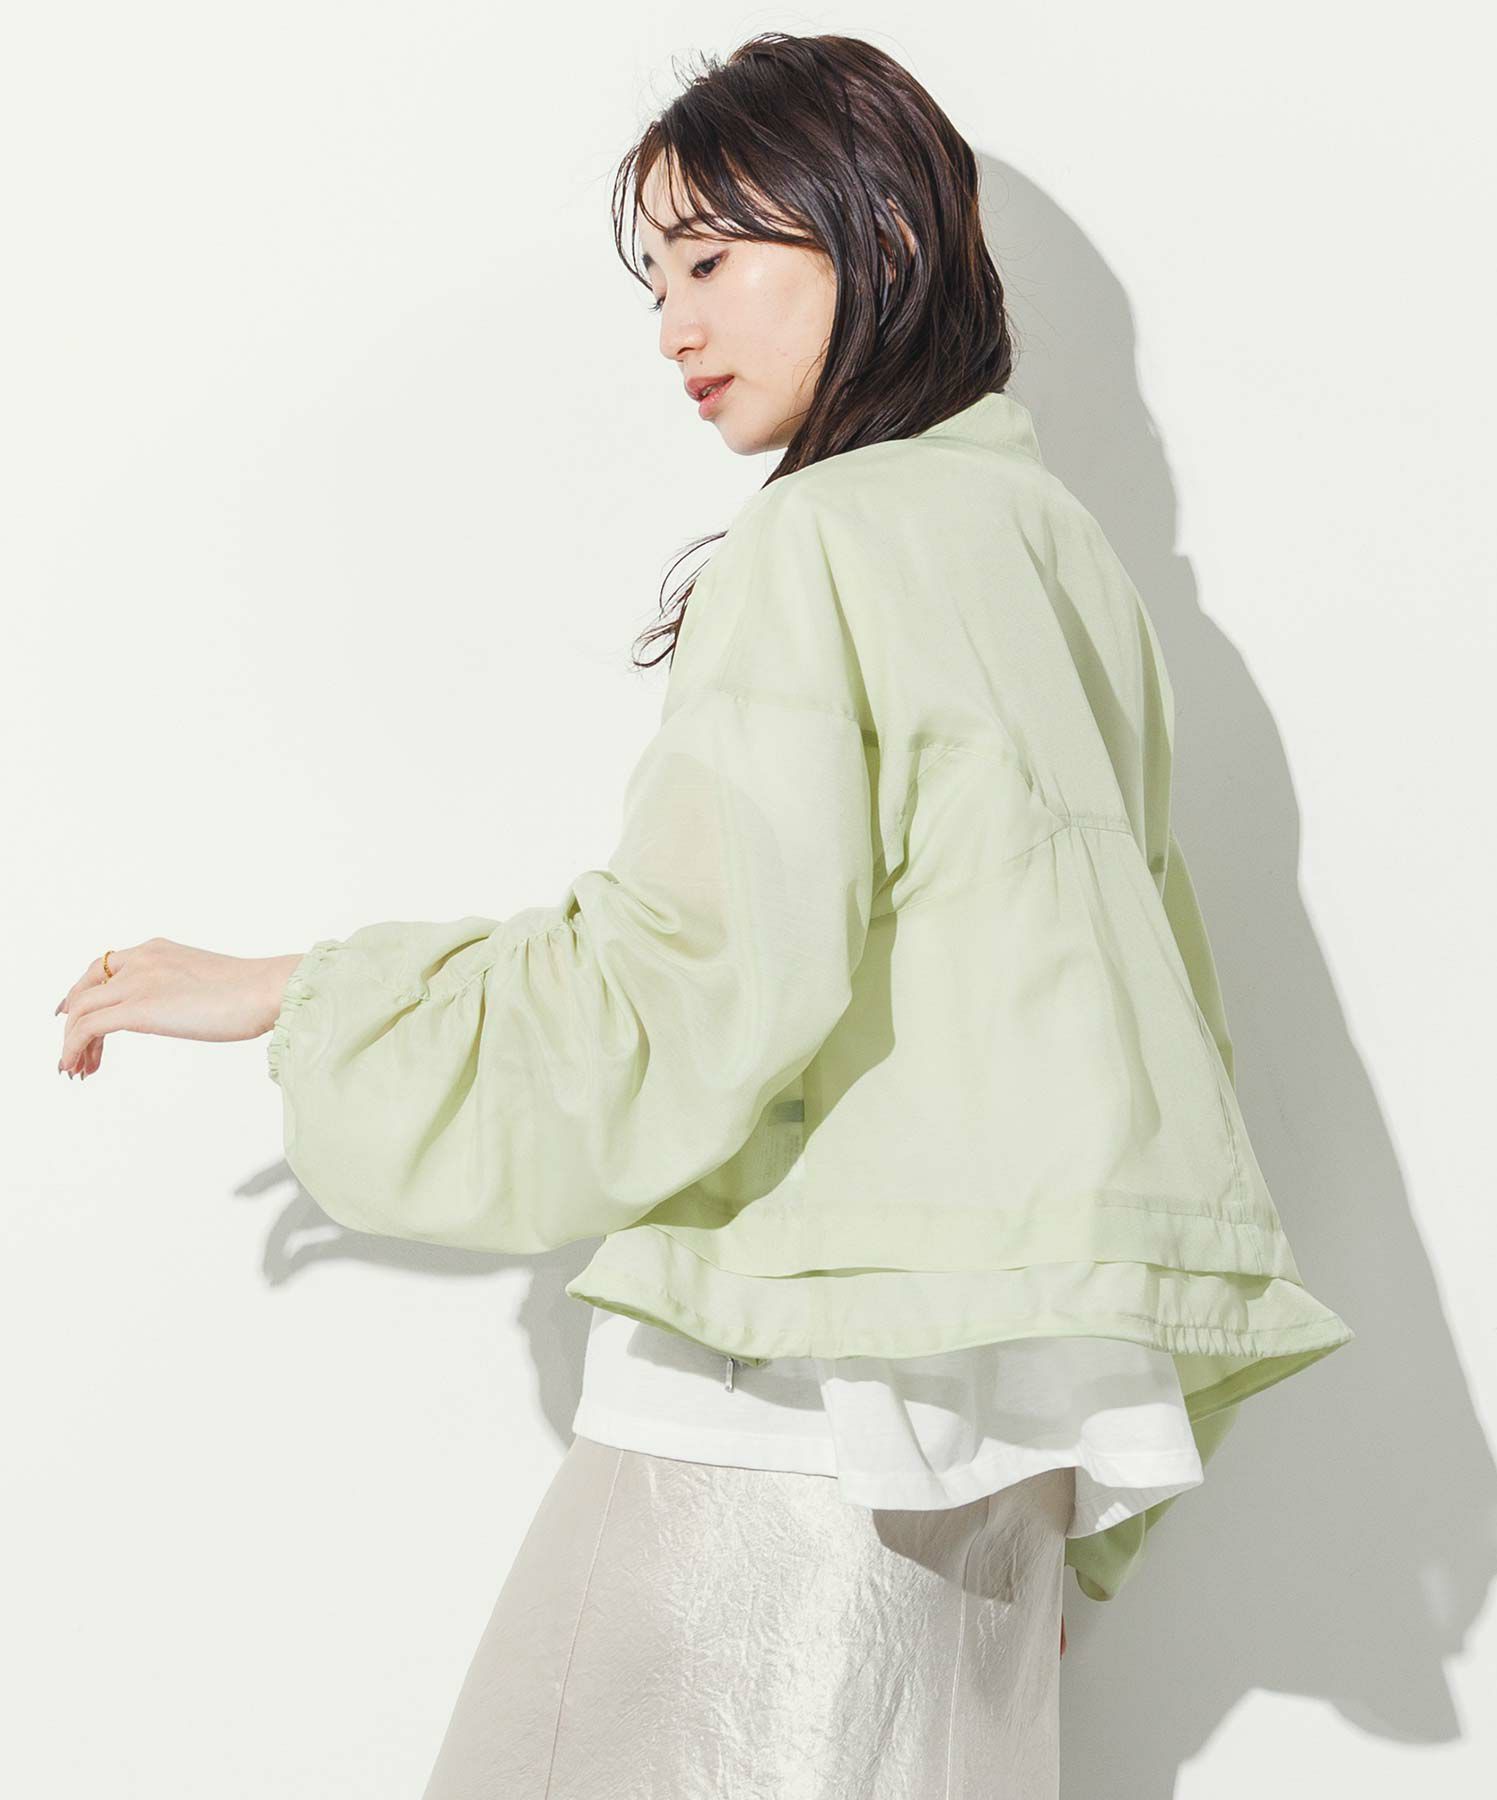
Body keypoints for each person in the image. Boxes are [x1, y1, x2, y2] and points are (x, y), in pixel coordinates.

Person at [54, 31, 1354, 1800]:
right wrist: (1076, 1471)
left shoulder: (821, 543)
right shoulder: (1053, 549)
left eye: (716, 257)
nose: (674, 324)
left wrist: (309, 995)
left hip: (787, 1415)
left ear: (884, 233)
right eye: (658, 277)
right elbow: (1153, 1002)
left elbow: (693, 980)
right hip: (1006, 1441)